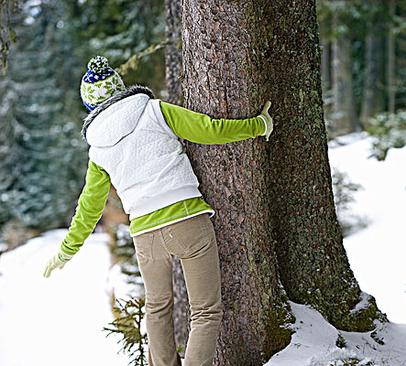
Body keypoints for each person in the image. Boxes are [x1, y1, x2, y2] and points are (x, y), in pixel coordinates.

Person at [43, 56, 273, 366]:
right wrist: (258, 125)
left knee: (158, 307)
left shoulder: (97, 150)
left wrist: (65, 253)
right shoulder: (154, 110)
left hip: (145, 235)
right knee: (205, 311)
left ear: (91, 107)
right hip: (187, 220)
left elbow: (89, 207)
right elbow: (209, 130)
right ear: (120, 88)